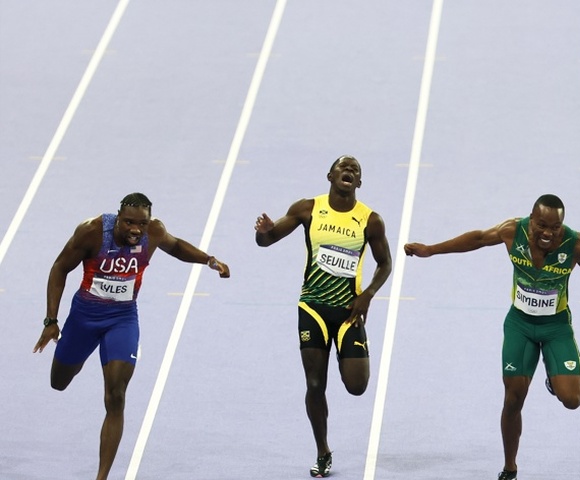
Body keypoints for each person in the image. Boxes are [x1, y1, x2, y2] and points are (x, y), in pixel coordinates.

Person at [404, 194, 580, 480]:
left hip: (556, 327)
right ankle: (510, 467)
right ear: (531, 220)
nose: (549, 233)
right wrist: (430, 249)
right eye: (542, 226)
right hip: (520, 325)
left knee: (572, 400)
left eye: (556, 227)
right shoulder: (512, 231)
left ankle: (553, 375)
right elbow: (476, 239)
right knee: (513, 400)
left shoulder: (576, 245)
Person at [32, 192, 230, 480]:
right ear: (118, 219)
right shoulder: (92, 232)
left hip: (122, 320)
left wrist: (210, 260)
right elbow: (59, 267)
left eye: (142, 223)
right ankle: (77, 355)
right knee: (58, 382)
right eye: (128, 223)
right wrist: (51, 320)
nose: (136, 229)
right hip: (84, 320)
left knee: (116, 396)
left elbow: (175, 247)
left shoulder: (154, 232)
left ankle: (102, 476)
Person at [255, 155, 392, 478]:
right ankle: (323, 451)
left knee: (357, 386)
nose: (349, 171)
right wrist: (264, 232)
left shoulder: (370, 220)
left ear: (359, 183)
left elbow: (384, 263)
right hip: (312, 309)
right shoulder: (307, 209)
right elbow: (266, 241)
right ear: (330, 175)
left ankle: (351, 360)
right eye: (344, 167)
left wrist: (367, 295)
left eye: (355, 170)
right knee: (315, 384)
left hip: (348, 313)